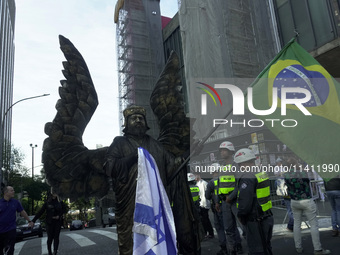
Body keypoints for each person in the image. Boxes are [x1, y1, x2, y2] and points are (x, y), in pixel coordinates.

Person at [104, 105, 201, 255]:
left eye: (141, 118)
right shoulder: (119, 143)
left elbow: (171, 167)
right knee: (131, 241)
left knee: (155, 239)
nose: (138, 121)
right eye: (133, 118)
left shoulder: (155, 145)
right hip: (130, 205)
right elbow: (110, 167)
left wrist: (189, 153)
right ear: (126, 123)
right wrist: (134, 157)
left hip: (154, 204)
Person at [284, 157, 331, 255]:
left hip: (294, 201)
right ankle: (317, 249)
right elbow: (308, 181)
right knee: (313, 224)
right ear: (296, 164)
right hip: (306, 200)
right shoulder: (303, 173)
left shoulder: (286, 175)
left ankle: (298, 247)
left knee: (297, 224)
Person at [235, 148, 273, 255]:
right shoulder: (261, 173)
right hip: (267, 216)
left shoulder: (247, 176)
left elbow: (245, 201)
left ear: (242, 162)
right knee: (267, 247)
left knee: (257, 251)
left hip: (256, 220)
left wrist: (241, 215)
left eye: (239, 164)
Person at [216, 141, 243, 255]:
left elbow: (240, 184)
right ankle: (233, 250)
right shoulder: (222, 167)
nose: (222, 152)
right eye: (221, 150)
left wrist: (231, 197)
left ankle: (246, 248)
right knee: (229, 228)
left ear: (231, 151)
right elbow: (219, 184)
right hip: (224, 202)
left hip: (234, 201)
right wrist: (217, 201)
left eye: (224, 150)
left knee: (244, 226)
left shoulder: (235, 165)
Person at [0, 186, 32, 255]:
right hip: (1, 230)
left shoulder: (15, 202)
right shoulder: (0, 203)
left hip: (11, 229)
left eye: (13, 190)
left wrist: (29, 220)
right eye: (11, 190)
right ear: (6, 192)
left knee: (10, 249)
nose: (13, 192)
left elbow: (22, 212)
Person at [32, 191, 65, 255]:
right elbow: (40, 212)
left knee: (56, 237)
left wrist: (59, 215)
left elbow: (63, 210)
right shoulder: (47, 203)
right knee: (50, 238)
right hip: (49, 222)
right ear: (51, 193)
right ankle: (50, 252)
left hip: (57, 222)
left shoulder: (60, 202)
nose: (55, 193)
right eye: (54, 192)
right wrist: (33, 220)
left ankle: (55, 251)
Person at [205, 163, 227, 255]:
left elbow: (207, 196)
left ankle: (224, 248)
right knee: (231, 227)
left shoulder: (211, 182)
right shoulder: (224, 179)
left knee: (220, 228)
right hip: (227, 205)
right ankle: (237, 246)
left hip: (217, 207)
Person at [195, 173, 214, 239]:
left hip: (204, 204)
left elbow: (204, 195)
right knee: (203, 220)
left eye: (196, 175)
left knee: (205, 219)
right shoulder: (197, 184)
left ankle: (209, 233)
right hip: (201, 204)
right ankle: (207, 233)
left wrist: (204, 204)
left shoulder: (203, 183)